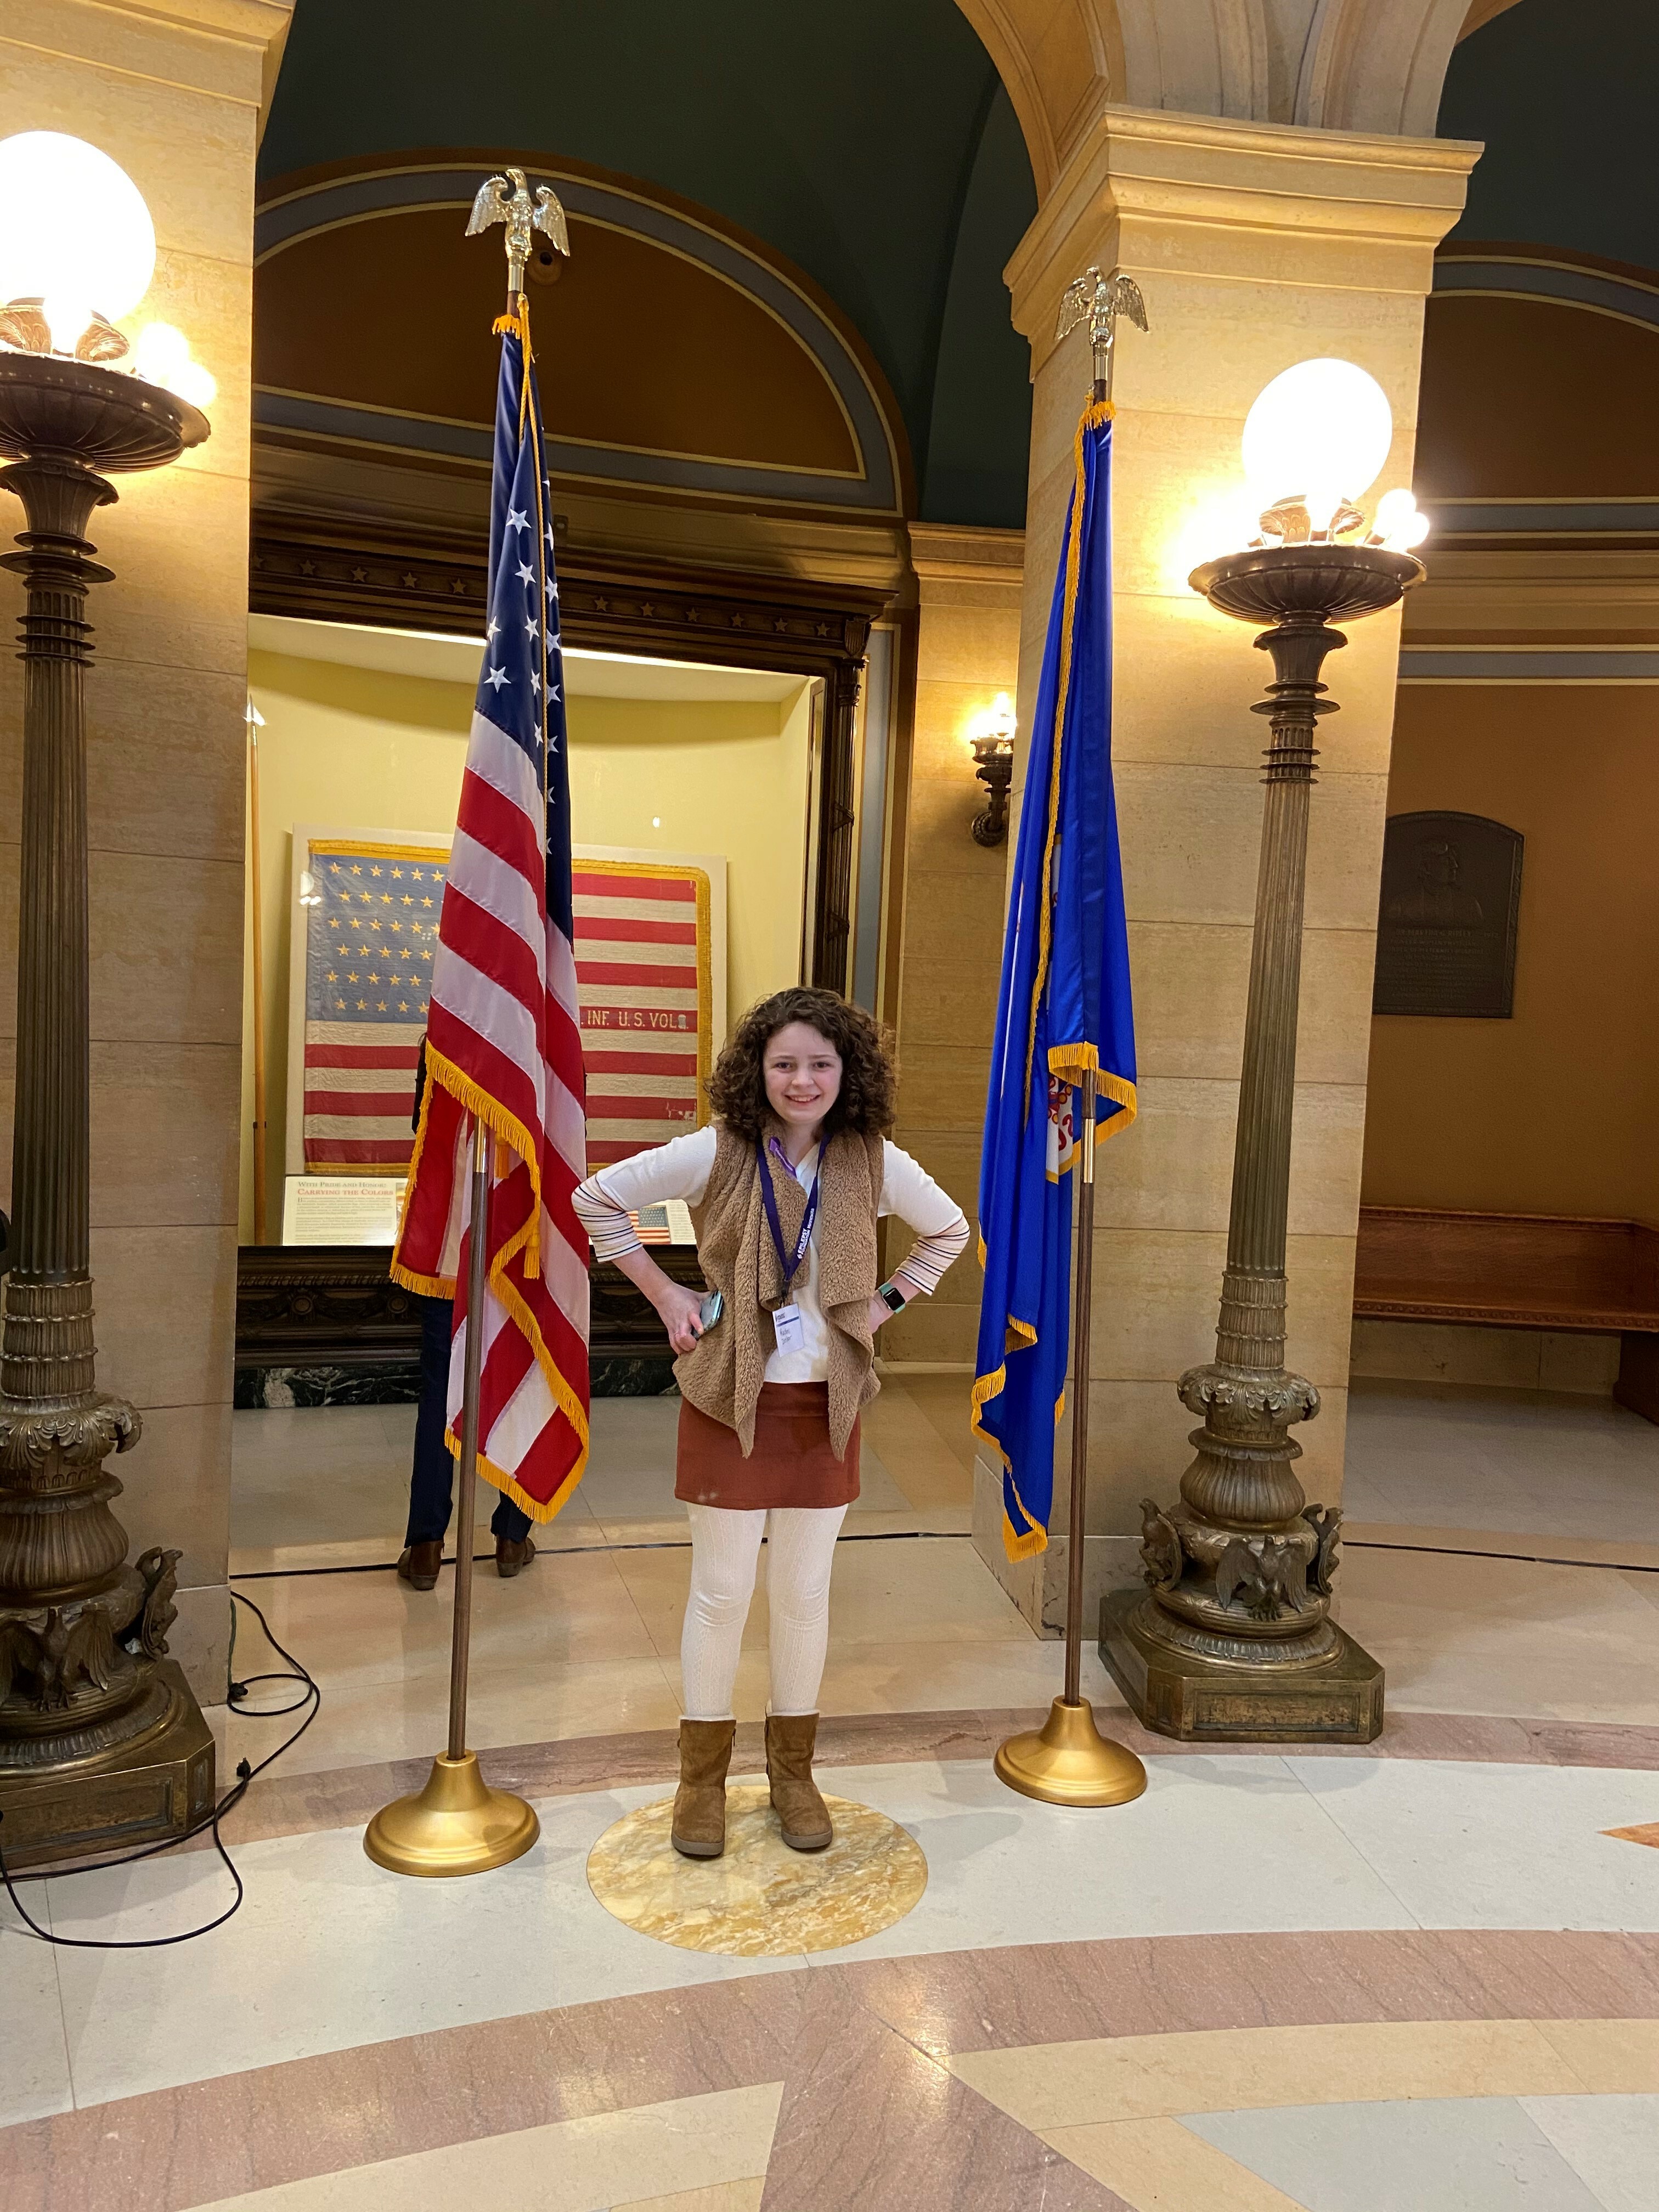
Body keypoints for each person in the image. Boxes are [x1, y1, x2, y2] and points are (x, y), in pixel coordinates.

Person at [572, 987, 968, 1860]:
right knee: (720, 1593)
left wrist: (884, 1304)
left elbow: (948, 1232)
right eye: (784, 1062)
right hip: (729, 1396)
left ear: (847, 1072)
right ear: (757, 1069)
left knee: (803, 1594)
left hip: (826, 1404)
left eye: (820, 1064)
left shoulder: (871, 1158)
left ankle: (793, 1775)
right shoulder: (716, 1151)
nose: (802, 1080)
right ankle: (700, 1785)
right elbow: (596, 1199)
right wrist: (669, 1294)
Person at [397, 1038, 537, 1589]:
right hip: (519, 1244)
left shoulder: (447, 1029)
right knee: (520, 1380)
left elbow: (422, 1126)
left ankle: (427, 1544)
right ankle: (510, 1535)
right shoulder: (541, 1026)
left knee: (440, 1387)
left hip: (453, 1237)